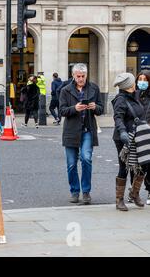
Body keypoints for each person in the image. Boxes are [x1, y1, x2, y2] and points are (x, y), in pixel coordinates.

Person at [59, 63, 104, 205]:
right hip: (71, 130)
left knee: (86, 159)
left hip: (88, 130)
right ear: (73, 75)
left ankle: (86, 192)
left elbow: (101, 109)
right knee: (71, 164)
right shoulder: (65, 90)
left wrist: (95, 107)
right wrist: (75, 108)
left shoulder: (94, 88)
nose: (81, 79)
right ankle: (74, 191)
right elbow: (62, 111)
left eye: (83, 76)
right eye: (78, 76)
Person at [112, 72, 145, 211]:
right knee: (124, 167)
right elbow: (118, 117)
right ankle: (119, 200)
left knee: (141, 165)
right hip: (123, 137)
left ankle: (134, 193)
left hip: (138, 136)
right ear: (129, 84)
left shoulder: (136, 96)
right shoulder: (120, 99)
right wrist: (123, 132)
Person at [130, 71, 150, 205]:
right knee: (135, 165)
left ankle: (149, 190)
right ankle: (134, 192)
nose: (142, 82)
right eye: (140, 79)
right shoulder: (133, 95)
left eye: (145, 79)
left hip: (148, 133)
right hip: (136, 134)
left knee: (148, 164)